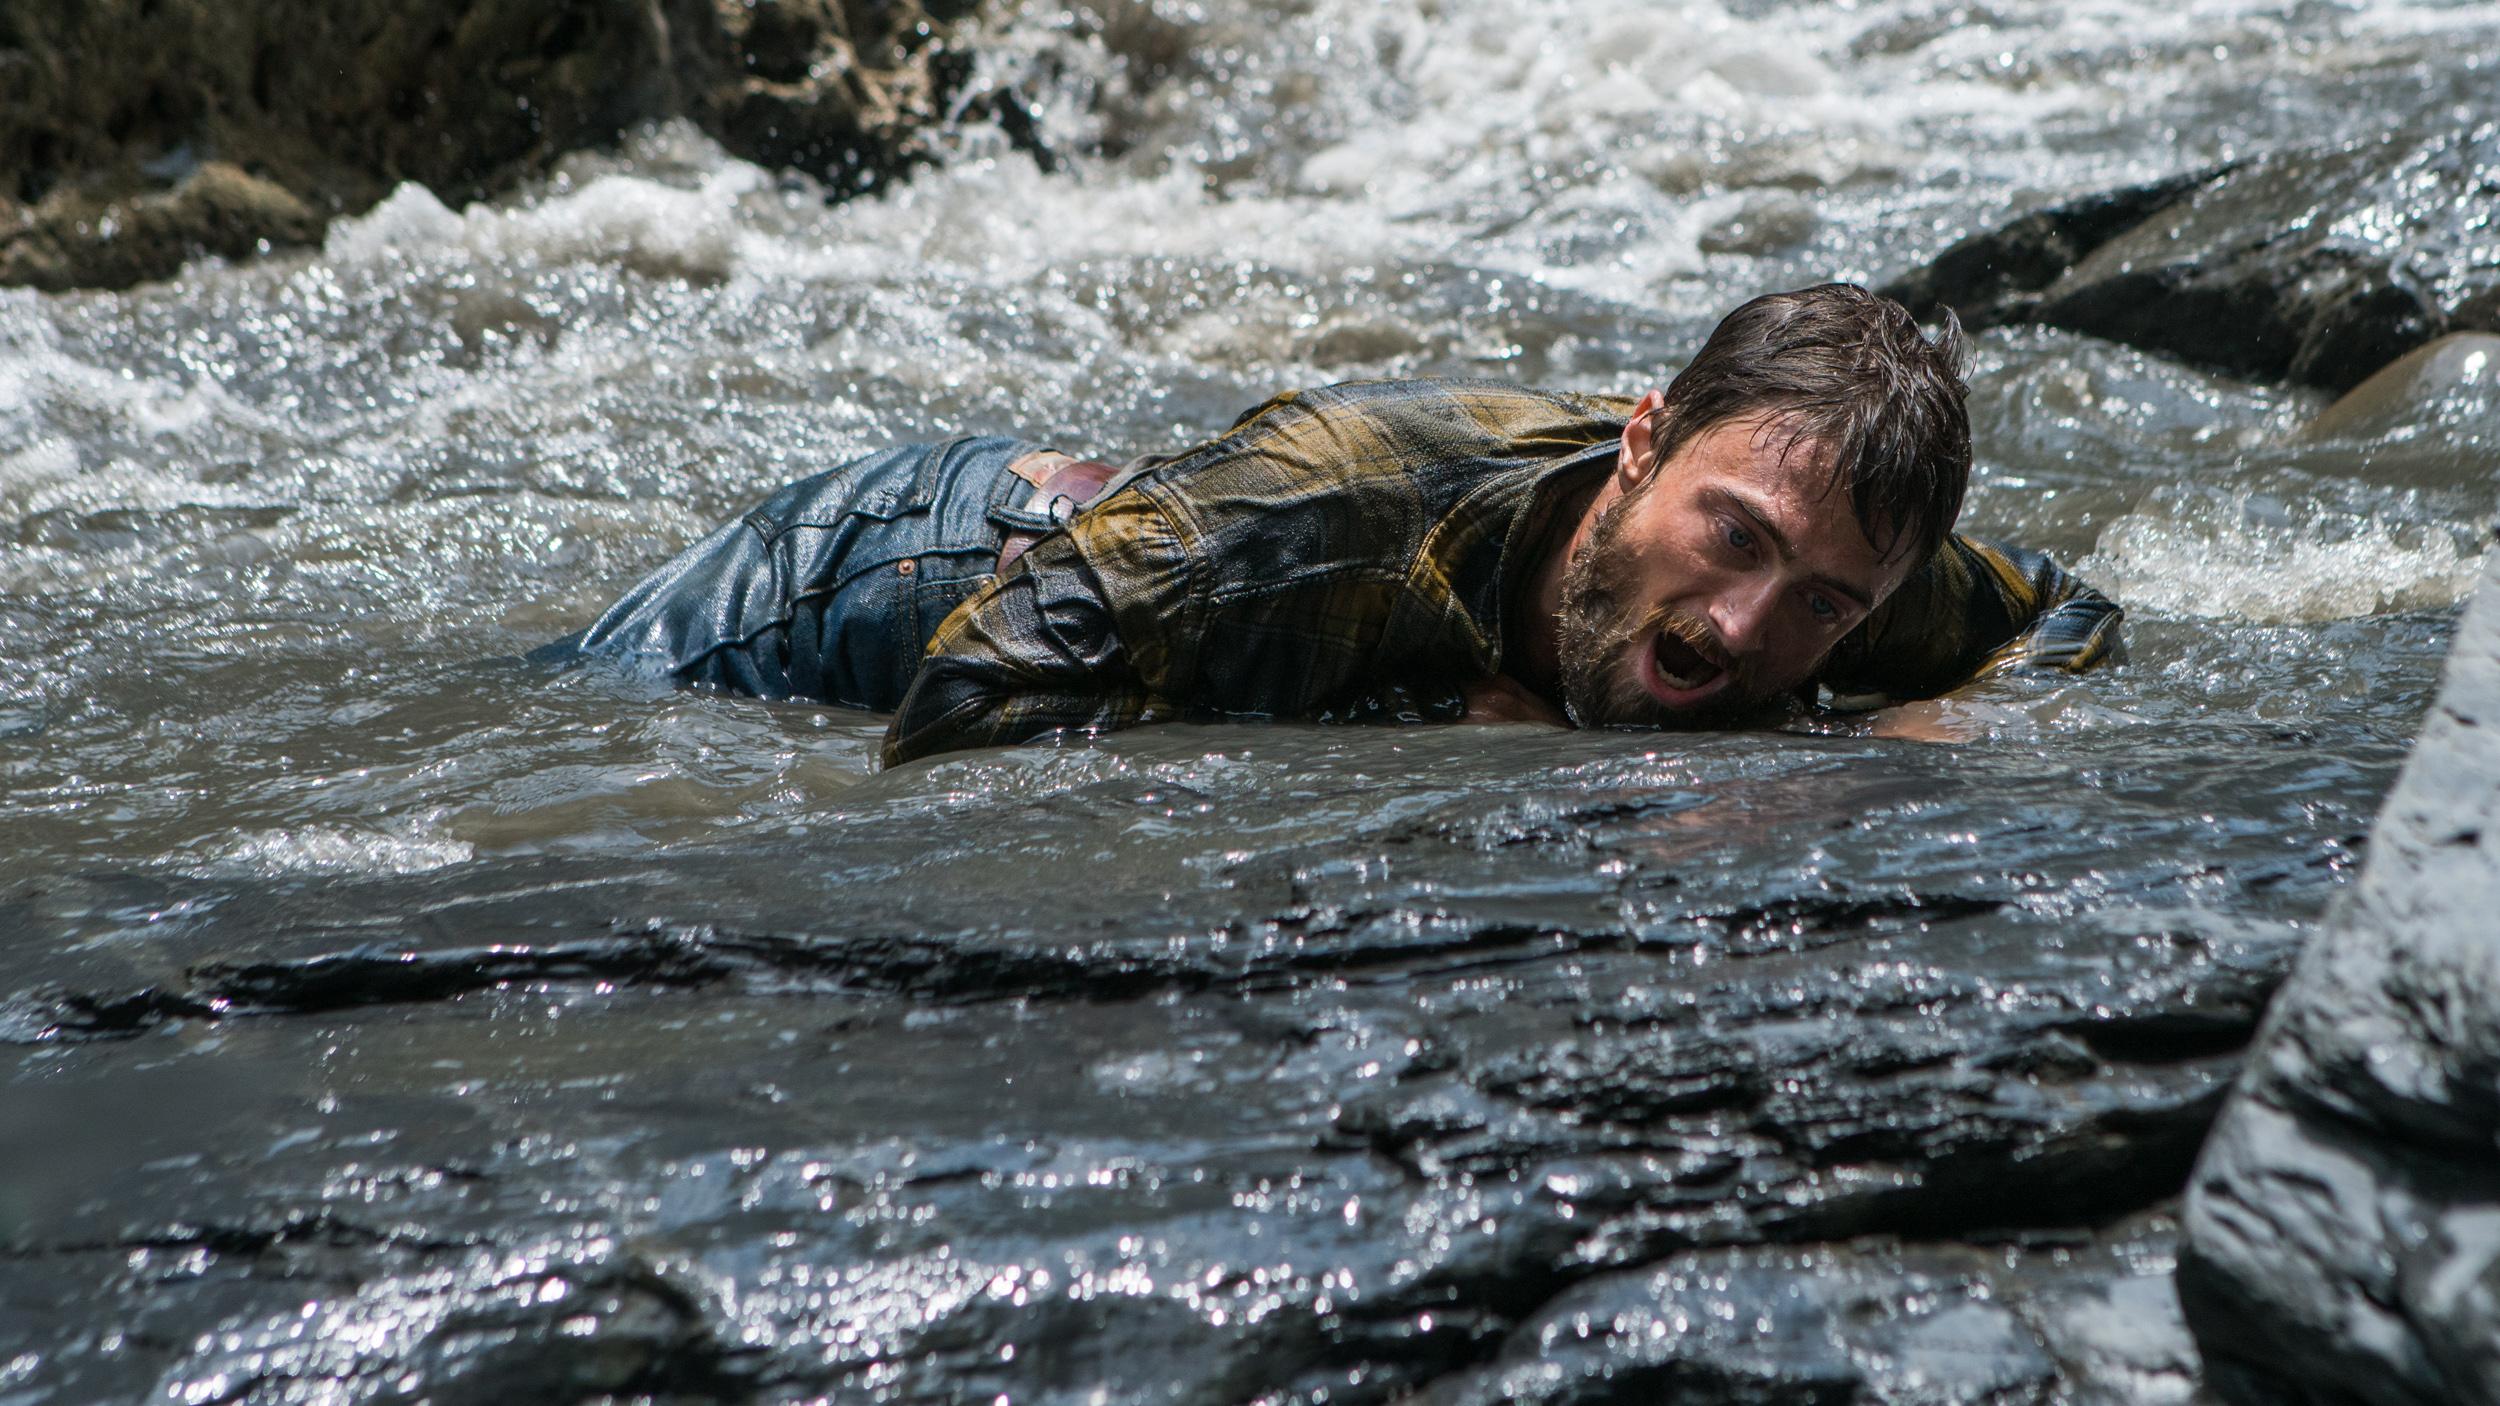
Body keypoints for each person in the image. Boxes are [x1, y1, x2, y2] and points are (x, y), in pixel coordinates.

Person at [543, 284, 2121, 766]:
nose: (1749, 628)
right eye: (1736, 542)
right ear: (1644, 444)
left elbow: (2066, 607)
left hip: (1143, 569)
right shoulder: (1334, 505)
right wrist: (1413, 730)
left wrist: (1922, 726)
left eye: (1826, 610)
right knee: (554, 729)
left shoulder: (1837, 575)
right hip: (885, 571)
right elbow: (961, 705)